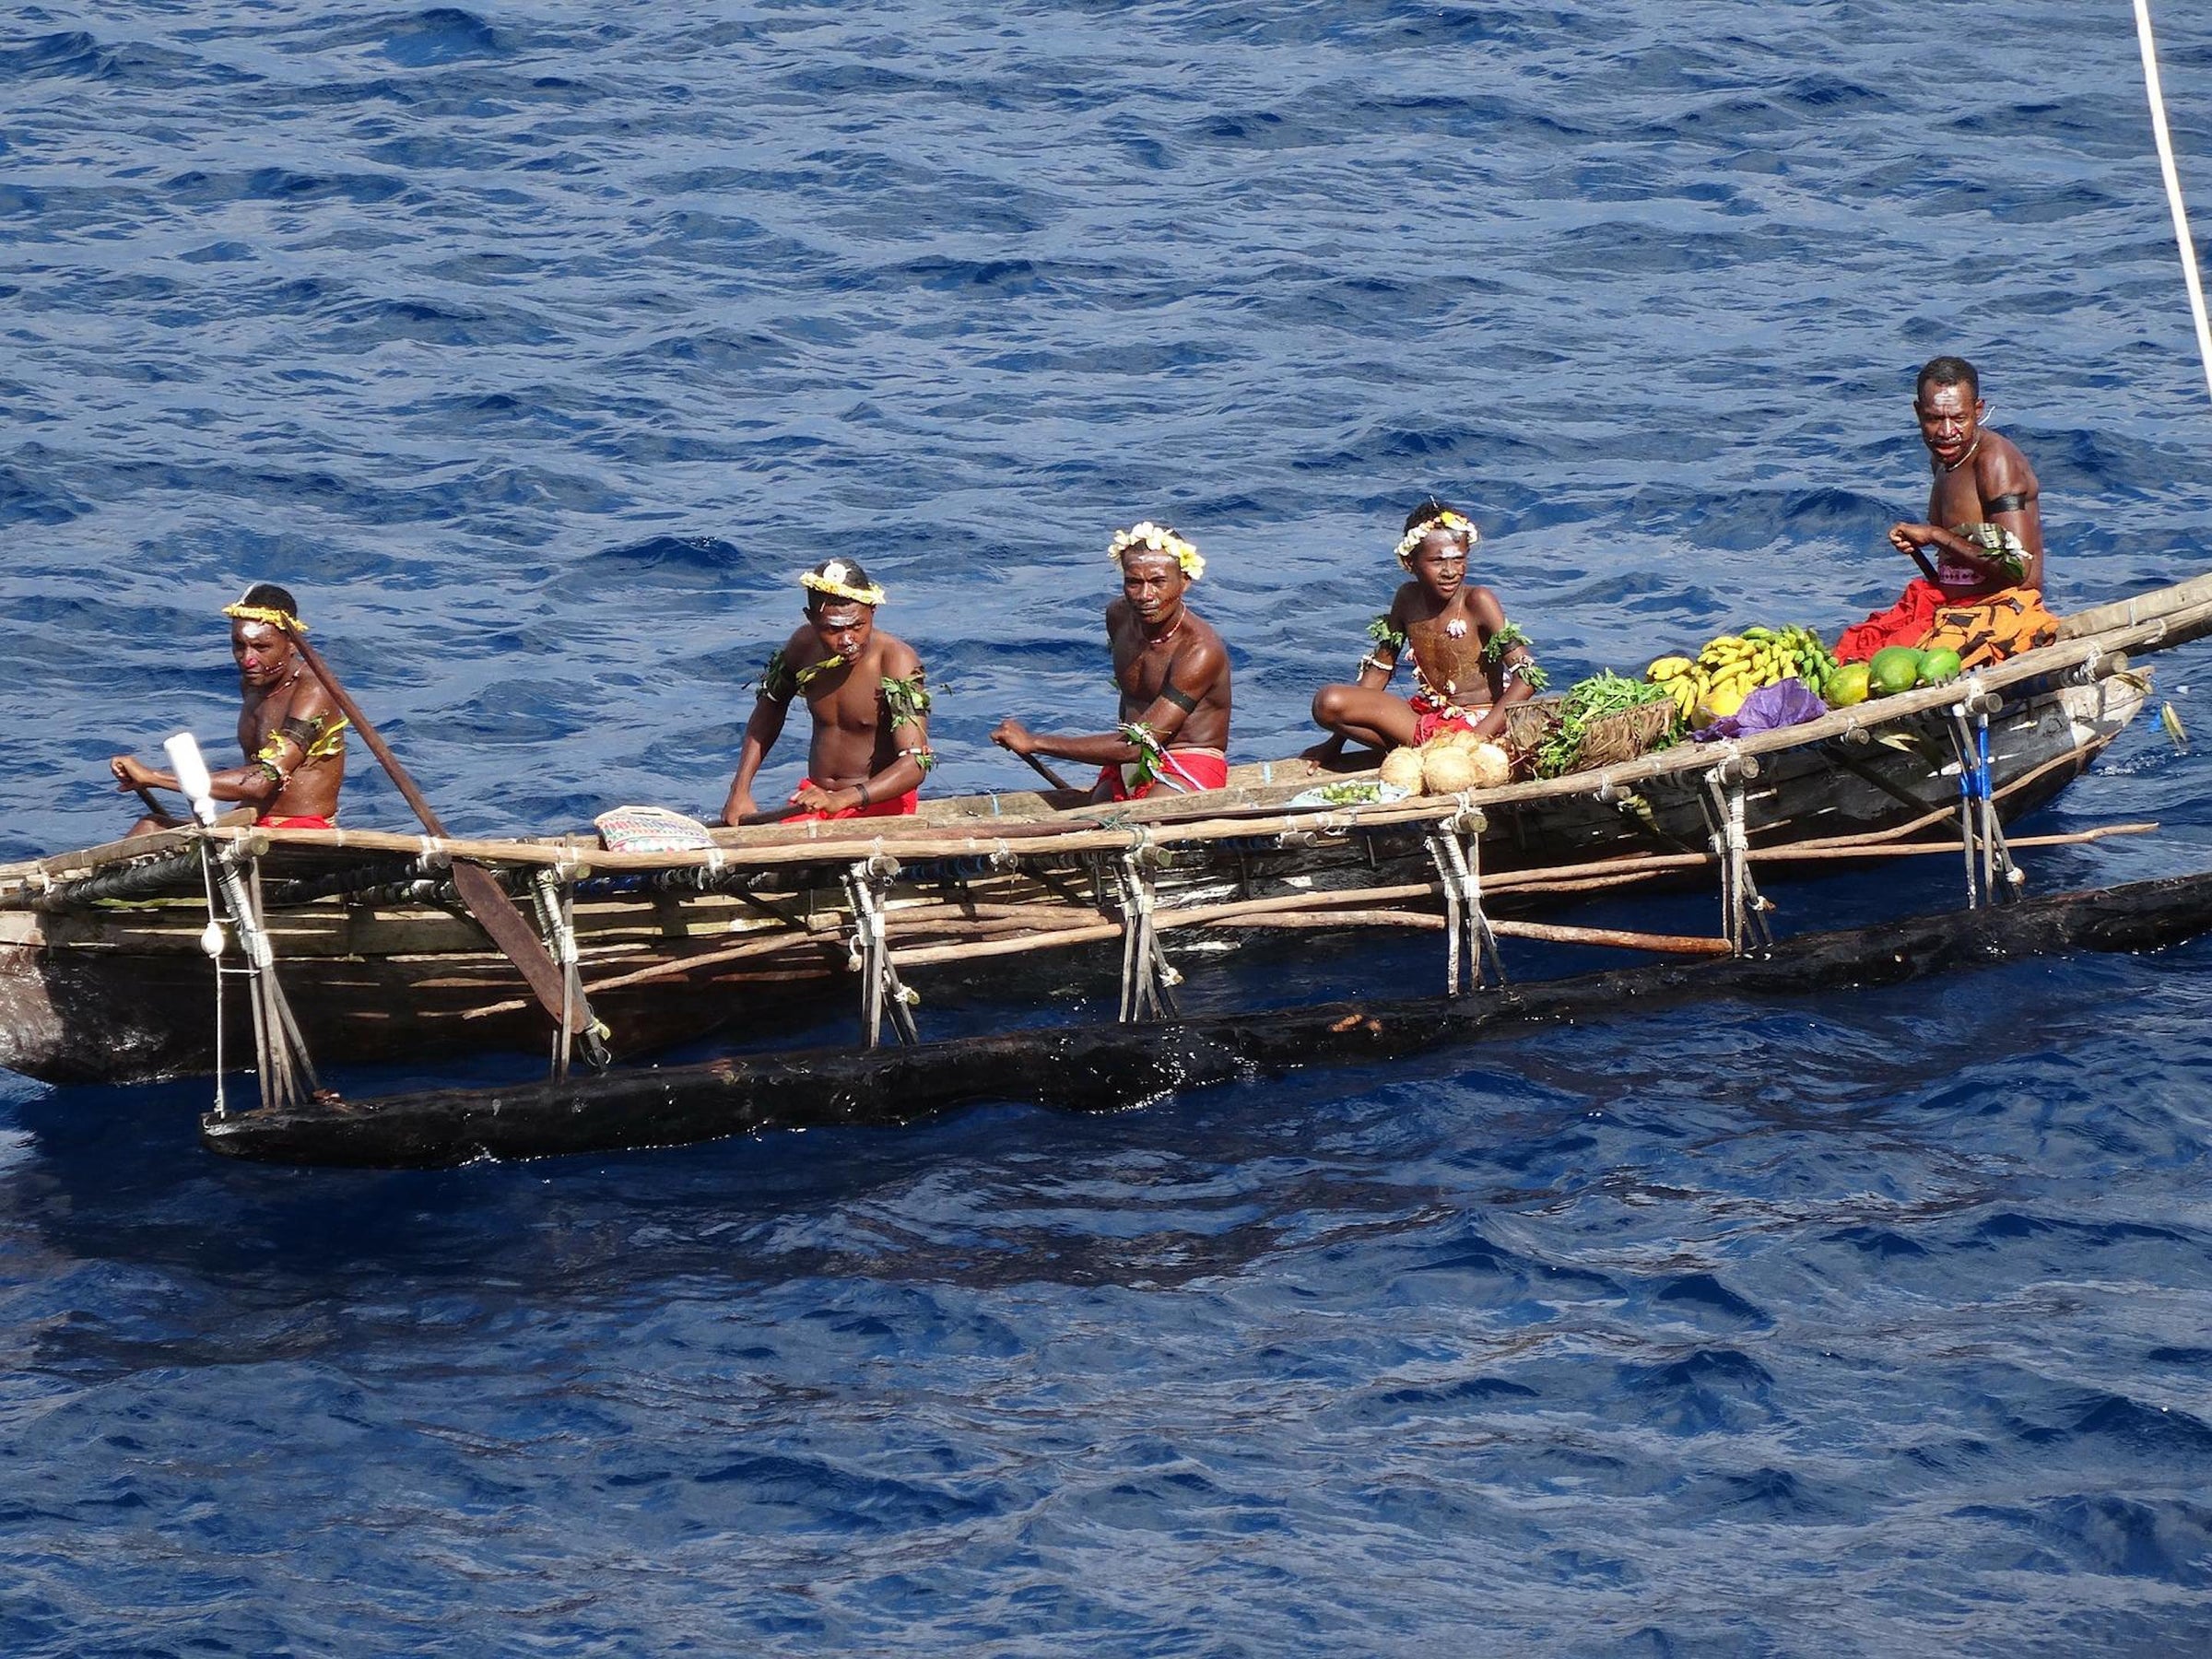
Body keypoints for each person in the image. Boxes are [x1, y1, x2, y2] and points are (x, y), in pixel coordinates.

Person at [991, 522, 1232, 801]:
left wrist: (1034, 742)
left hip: (1186, 761)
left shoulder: (1199, 651)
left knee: (1145, 822)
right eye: (1134, 582)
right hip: (1127, 760)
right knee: (1095, 814)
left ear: (1184, 582)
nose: (1145, 596)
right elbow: (1130, 701)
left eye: (1158, 582)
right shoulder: (1119, 616)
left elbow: (1136, 746)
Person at [1839, 356, 2056, 665]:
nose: (1946, 431)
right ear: (1918, 413)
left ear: (1977, 411)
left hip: (2001, 609)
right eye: (1933, 419)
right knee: (1855, 650)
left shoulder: (1995, 463)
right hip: (1949, 605)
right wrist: (1922, 544)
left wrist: (1935, 535)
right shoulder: (1944, 459)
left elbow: (2017, 570)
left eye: (1959, 418)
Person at [1304, 498, 1547, 759]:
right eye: (1437, 561)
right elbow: (1379, 672)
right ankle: (1433, 753)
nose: (1450, 571)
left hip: (1480, 725)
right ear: (1410, 563)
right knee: (1328, 703)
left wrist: (1475, 739)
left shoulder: (1479, 601)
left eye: (1458, 560)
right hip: (1427, 718)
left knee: (1331, 700)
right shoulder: (1407, 600)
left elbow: (1527, 676)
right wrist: (1333, 746)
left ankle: (1440, 754)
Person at [109, 584, 348, 837]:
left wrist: (154, 777)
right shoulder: (254, 683)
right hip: (250, 821)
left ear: (291, 644)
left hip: (299, 831)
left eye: (261, 647)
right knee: (149, 826)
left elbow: (263, 780)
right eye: (239, 645)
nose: (248, 659)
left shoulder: (313, 692)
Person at [719, 559, 934, 825]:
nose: (846, 641)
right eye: (832, 629)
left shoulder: (897, 662)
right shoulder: (802, 646)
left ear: (873, 611)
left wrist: (841, 800)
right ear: (811, 618)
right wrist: (739, 791)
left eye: (857, 627)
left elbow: (914, 765)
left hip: (881, 804)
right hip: (814, 799)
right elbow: (769, 709)